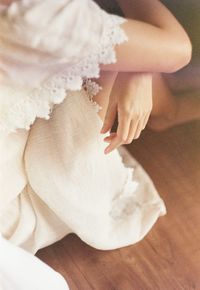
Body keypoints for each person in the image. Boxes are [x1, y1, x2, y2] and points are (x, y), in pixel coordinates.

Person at [0, 0, 191, 289]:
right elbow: (177, 50)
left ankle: (168, 107)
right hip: (12, 201)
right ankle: (170, 110)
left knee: (105, 54)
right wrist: (137, 63)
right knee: (99, 62)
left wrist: (136, 63)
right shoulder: (36, 17)